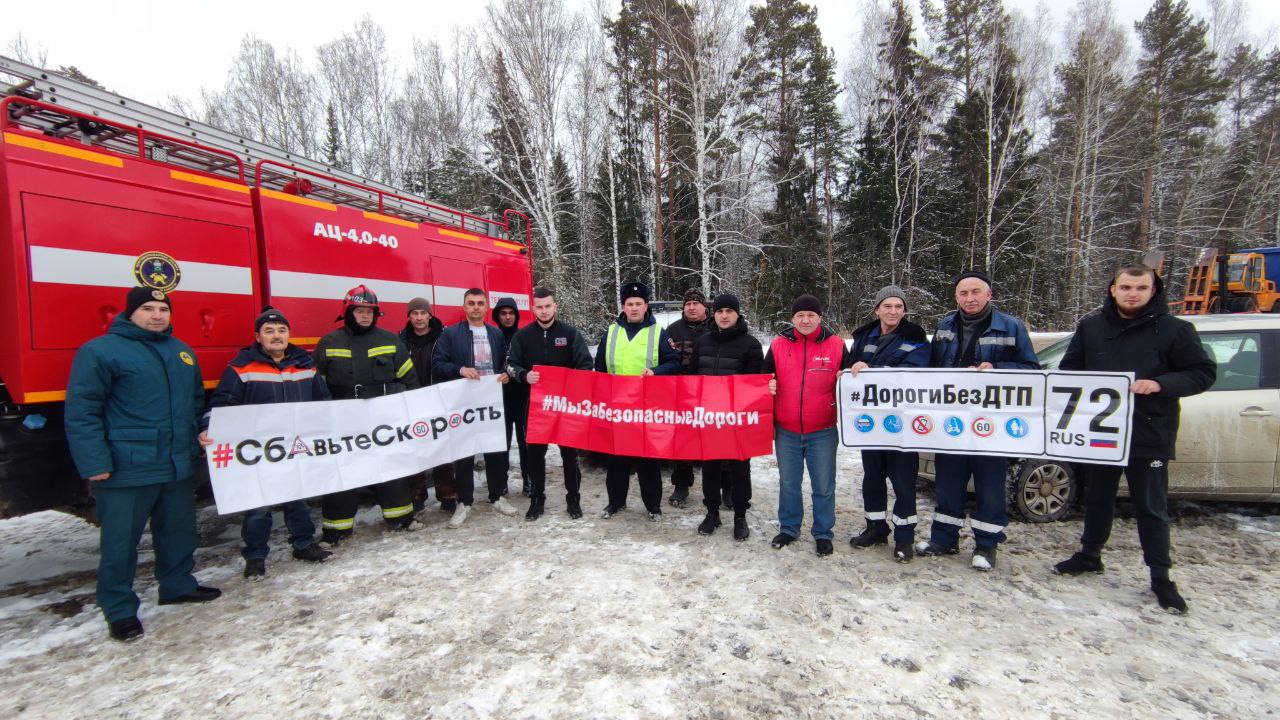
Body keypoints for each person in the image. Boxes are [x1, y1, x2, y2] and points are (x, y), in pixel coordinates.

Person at [1052, 265, 1215, 614]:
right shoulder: (1092, 327)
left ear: (1153, 291)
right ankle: (1089, 554)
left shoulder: (1176, 330)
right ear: (1113, 289)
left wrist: (1160, 384)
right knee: (1097, 497)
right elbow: (1070, 369)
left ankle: (1161, 577)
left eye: (1141, 287)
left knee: (1151, 507)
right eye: (1126, 286)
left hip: (1148, 432)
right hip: (1099, 434)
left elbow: (1202, 373)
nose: (1132, 293)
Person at [65, 287, 221, 643]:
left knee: (179, 531)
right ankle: (119, 609)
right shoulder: (100, 351)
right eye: (148, 308)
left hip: (176, 463)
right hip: (126, 467)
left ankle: (177, 584)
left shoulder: (181, 351)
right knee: (121, 542)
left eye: (163, 309)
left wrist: (202, 430)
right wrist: (95, 462)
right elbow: (82, 411)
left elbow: (196, 402)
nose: (157, 315)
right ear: (130, 313)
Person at [916, 270, 1039, 571]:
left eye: (975, 292)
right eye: (963, 293)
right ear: (956, 297)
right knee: (948, 484)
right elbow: (932, 368)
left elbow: (1030, 369)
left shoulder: (1011, 326)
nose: (969, 298)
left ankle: (986, 546)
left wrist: (996, 367)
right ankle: (944, 539)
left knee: (990, 487)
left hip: (991, 425)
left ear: (989, 295)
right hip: (952, 423)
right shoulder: (945, 326)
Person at [198, 307, 333, 580]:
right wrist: (206, 428)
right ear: (258, 337)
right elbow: (222, 404)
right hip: (259, 452)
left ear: (289, 335)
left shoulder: (305, 366)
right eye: (269, 331)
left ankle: (304, 544)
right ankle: (256, 556)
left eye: (282, 330)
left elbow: (323, 403)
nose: (276, 336)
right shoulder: (241, 368)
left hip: (295, 448)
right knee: (259, 506)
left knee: (298, 499)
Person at [313, 285, 422, 546]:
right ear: (348, 312)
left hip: (384, 417)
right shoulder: (329, 343)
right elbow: (317, 386)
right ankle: (336, 529)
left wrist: (411, 409)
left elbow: (409, 379)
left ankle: (401, 518)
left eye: (369, 311)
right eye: (359, 310)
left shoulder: (389, 340)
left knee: (391, 466)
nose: (364, 316)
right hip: (344, 419)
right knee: (344, 470)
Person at [847, 285, 931, 563]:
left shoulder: (916, 338)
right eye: (887, 306)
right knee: (872, 480)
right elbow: (849, 368)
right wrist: (852, 369)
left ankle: (904, 537)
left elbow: (917, 373)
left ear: (904, 310)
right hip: (870, 425)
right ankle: (876, 528)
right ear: (877, 310)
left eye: (898, 306)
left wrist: (876, 372)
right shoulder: (863, 336)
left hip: (902, 426)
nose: (893, 311)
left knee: (903, 483)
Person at [763, 294, 849, 556]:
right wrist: (768, 384)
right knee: (789, 483)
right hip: (786, 430)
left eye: (811, 315)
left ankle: (823, 533)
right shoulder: (778, 345)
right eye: (800, 315)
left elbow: (850, 382)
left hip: (822, 430)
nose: (805, 320)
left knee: (823, 485)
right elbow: (762, 378)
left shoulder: (835, 345)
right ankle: (789, 528)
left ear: (820, 318)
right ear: (793, 319)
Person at [505, 287, 595, 520]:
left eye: (548, 306)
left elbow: (586, 364)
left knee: (569, 454)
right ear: (533, 308)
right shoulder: (522, 336)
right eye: (539, 307)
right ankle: (537, 499)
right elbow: (510, 365)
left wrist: (571, 383)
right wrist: (525, 376)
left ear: (555, 306)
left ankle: (573, 499)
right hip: (535, 407)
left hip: (565, 406)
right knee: (534, 454)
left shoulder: (570, 333)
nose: (544, 311)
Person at [432, 288, 519, 527]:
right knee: (465, 453)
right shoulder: (450, 334)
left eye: (480, 303)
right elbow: (438, 364)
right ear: (464, 306)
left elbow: (505, 362)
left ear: (485, 307)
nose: (476, 307)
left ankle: (497, 495)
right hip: (464, 402)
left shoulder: (495, 334)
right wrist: (459, 370)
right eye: (471, 303)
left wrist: (504, 374)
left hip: (491, 400)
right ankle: (465, 501)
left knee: (496, 450)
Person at [595, 281, 681, 520]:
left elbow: (674, 362)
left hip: (647, 408)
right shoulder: (611, 332)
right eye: (629, 304)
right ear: (623, 306)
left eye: (638, 304)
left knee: (648, 460)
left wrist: (656, 372)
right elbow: (600, 368)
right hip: (618, 407)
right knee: (617, 459)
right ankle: (615, 502)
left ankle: (653, 506)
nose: (634, 308)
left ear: (646, 306)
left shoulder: (658, 333)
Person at [689, 293, 763, 540]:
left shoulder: (750, 345)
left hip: (737, 419)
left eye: (729, 311)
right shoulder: (703, 342)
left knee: (739, 469)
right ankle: (712, 513)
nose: (724, 315)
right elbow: (690, 377)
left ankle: (740, 515)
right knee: (709, 468)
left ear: (737, 315)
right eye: (720, 311)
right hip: (708, 417)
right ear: (714, 314)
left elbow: (755, 383)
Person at [399, 297, 457, 514]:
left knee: (443, 449)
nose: (419, 318)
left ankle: (448, 494)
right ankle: (417, 495)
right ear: (409, 316)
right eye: (415, 314)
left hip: (438, 399)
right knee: (415, 451)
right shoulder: (402, 340)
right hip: (411, 401)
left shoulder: (443, 338)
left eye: (423, 313)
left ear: (430, 315)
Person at [665, 288, 712, 508]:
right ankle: (681, 485)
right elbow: (665, 359)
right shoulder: (673, 330)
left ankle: (722, 488)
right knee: (682, 444)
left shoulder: (717, 327)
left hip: (712, 395)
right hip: (681, 395)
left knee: (716, 443)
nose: (692, 307)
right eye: (688, 304)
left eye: (696, 303)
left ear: (705, 306)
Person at [493, 296, 530, 496]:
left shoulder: (523, 336)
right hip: (500, 399)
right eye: (503, 313)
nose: (507, 317)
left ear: (516, 315)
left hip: (522, 397)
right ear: (497, 316)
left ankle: (529, 480)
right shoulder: (493, 336)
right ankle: (501, 482)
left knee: (525, 443)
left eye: (511, 313)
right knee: (501, 443)